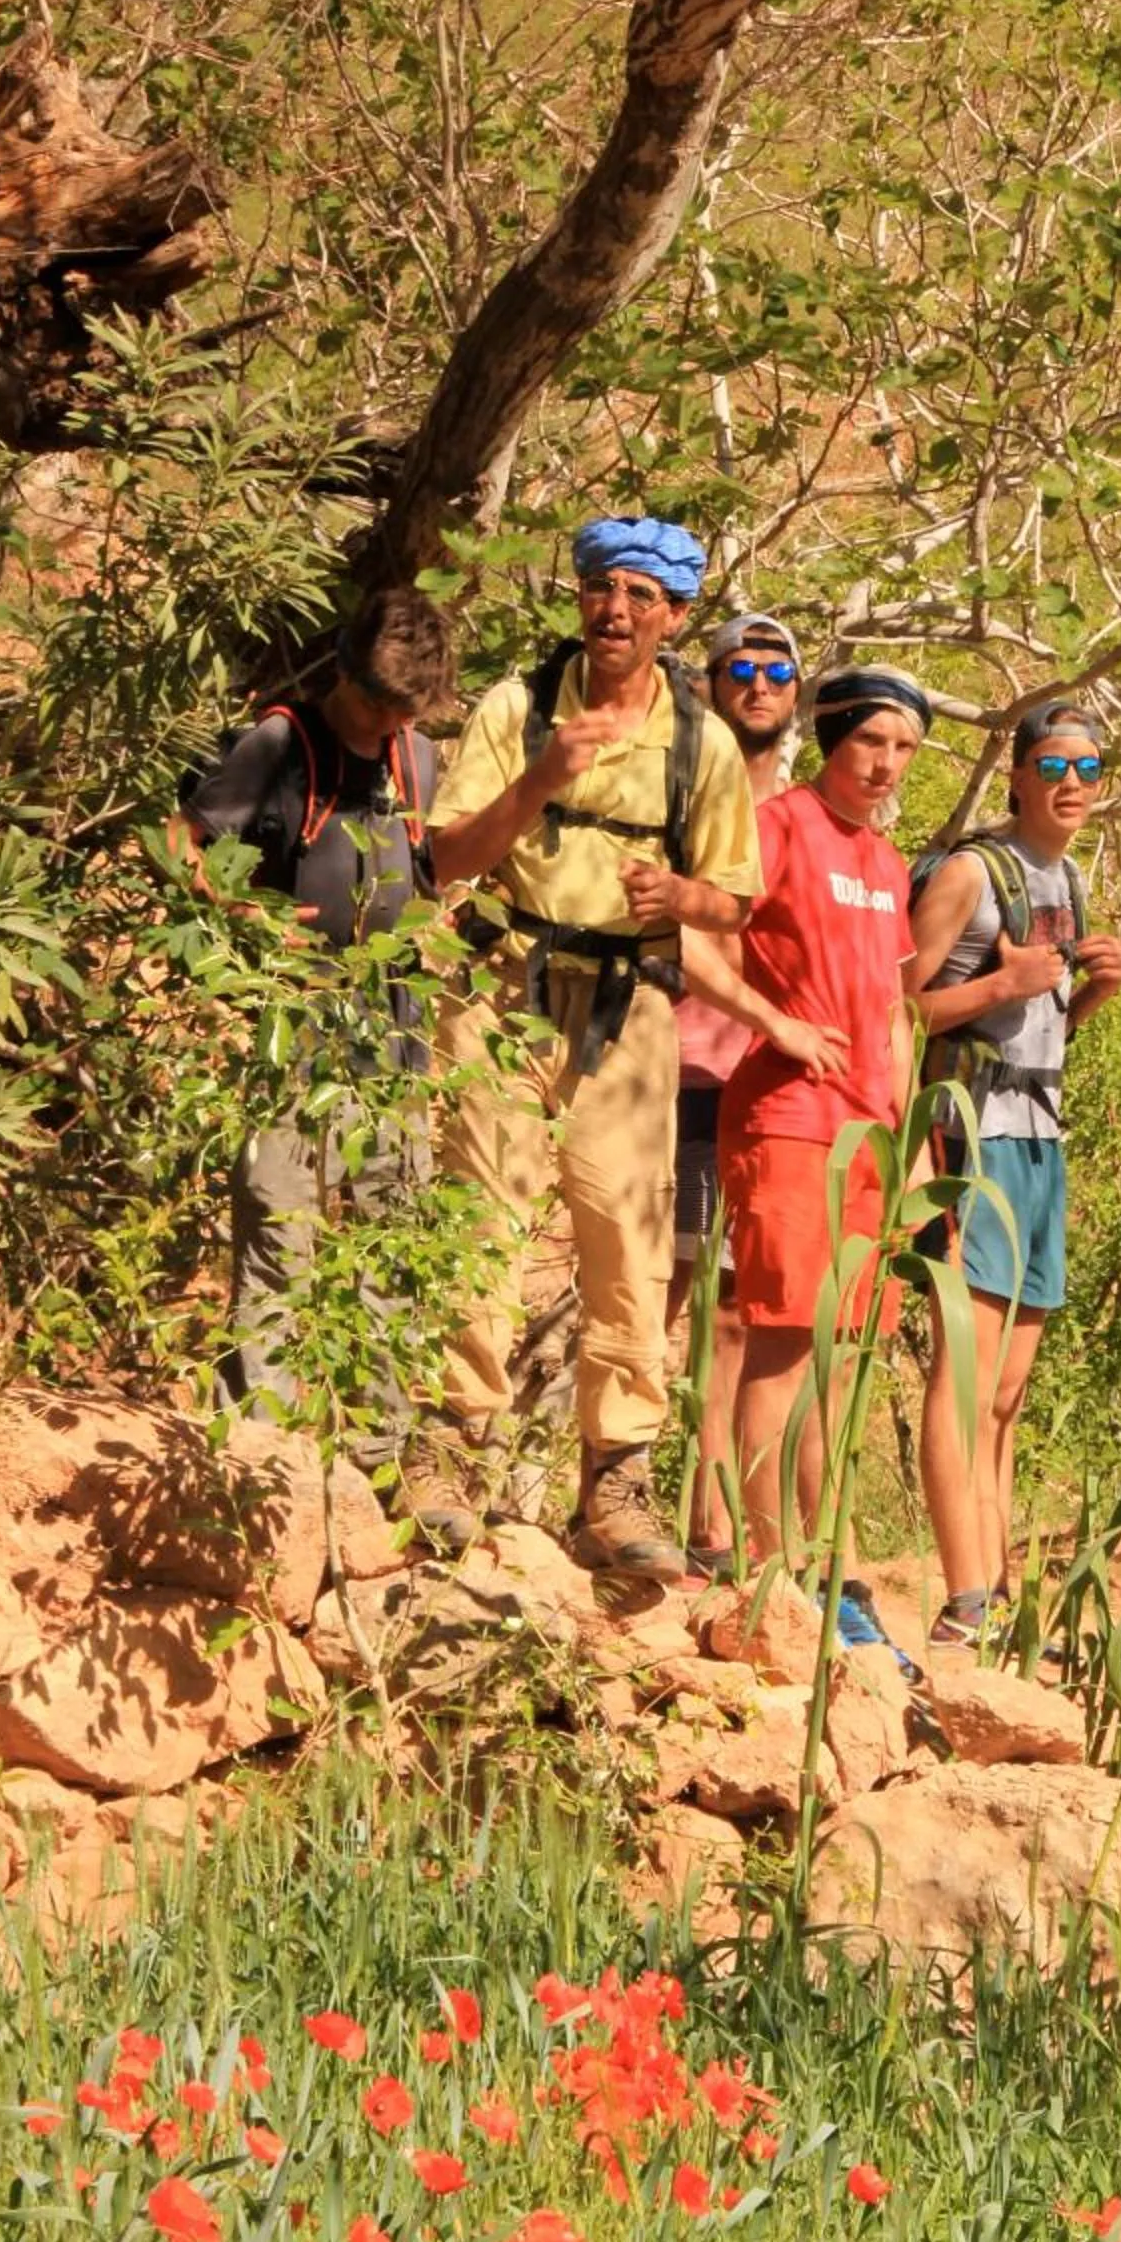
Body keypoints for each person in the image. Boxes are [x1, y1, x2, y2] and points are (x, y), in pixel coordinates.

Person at [426, 515, 763, 1578]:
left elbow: (736, 903)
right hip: (502, 989)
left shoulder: (699, 742)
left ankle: (615, 1482)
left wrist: (680, 896)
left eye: (636, 597)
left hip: (630, 1007)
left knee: (627, 1239)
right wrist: (538, 783)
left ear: (672, 617)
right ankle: (445, 1452)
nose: (611, 611)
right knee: (479, 1216)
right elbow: (445, 859)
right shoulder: (518, 709)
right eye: (596, 589)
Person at [177, 586, 452, 1475]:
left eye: (403, 711)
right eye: (376, 704)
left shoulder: (421, 756)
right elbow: (184, 842)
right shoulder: (279, 741)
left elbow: (440, 869)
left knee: (392, 1233)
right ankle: (260, 1447)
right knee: (277, 1225)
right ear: (344, 671)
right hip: (296, 1024)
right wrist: (247, 919)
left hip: (399, 1031)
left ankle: (384, 1454)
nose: (386, 725)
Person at [719, 665, 932, 1651]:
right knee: (781, 1340)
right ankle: (768, 1574)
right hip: (785, 1115)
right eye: (869, 743)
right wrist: (773, 1024)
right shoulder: (777, 826)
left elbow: (891, 1012)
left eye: (902, 750)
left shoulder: (887, 865)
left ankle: (830, 1568)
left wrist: (910, 1142)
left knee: (843, 1358)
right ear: (833, 738)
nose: (884, 765)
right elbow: (690, 934)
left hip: (865, 1136)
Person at [906, 700, 1121, 1645]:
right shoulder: (970, 871)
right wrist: (1002, 983)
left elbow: (1039, 1024)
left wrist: (1091, 997)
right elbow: (898, 1005)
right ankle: (964, 1604)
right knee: (964, 1373)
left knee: (1006, 1390)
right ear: (1020, 774)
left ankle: (994, 1590)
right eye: (1055, 766)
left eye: (1089, 769)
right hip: (970, 1138)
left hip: (1040, 1134)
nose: (1071, 784)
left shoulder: (1065, 876)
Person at [670, 614, 804, 1577]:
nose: (759, 684)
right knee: (656, 1289)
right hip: (675, 1067)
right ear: (712, 685)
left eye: (777, 670)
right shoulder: (683, 802)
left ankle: (712, 1520)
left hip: (763, 1090)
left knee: (734, 1311)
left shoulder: (805, 818)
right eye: (740, 670)